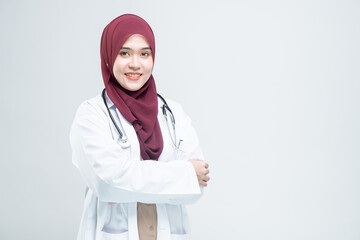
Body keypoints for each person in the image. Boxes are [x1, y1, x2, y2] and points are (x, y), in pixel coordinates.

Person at [70, 14, 210, 240]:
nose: (135, 64)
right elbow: (107, 185)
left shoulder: (173, 113)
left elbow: (197, 187)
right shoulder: (91, 115)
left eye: (145, 54)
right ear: (108, 56)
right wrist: (183, 173)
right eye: (124, 53)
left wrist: (129, 175)